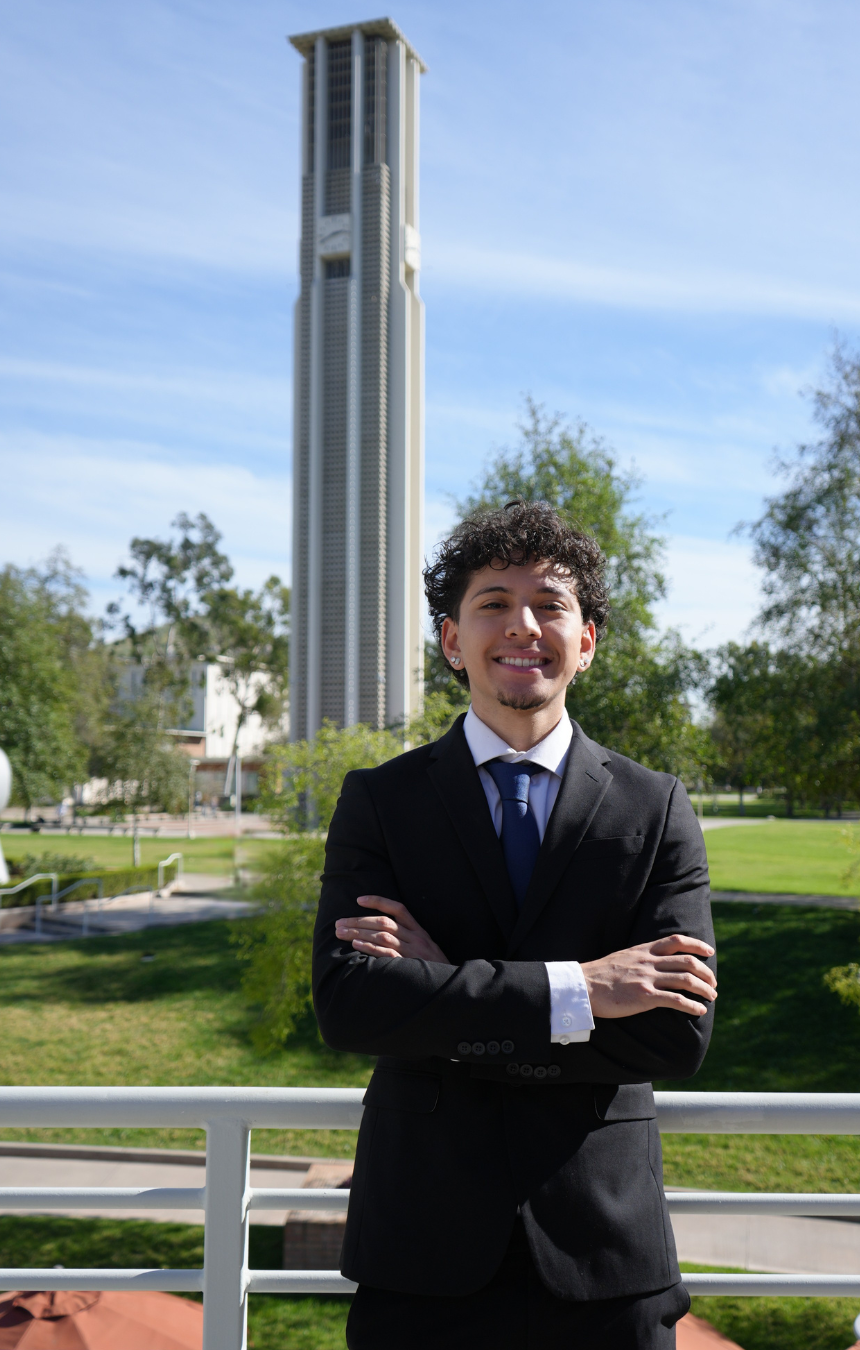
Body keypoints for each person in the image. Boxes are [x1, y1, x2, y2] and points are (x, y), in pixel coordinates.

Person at [312, 501, 717, 1350]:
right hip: (421, 1252)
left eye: (550, 604)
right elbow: (351, 1007)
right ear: (453, 641)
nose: (522, 626)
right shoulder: (379, 802)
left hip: (606, 1259)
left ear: (589, 640)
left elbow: (676, 1038)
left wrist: (441, 993)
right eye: (492, 602)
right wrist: (585, 990)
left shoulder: (658, 807)